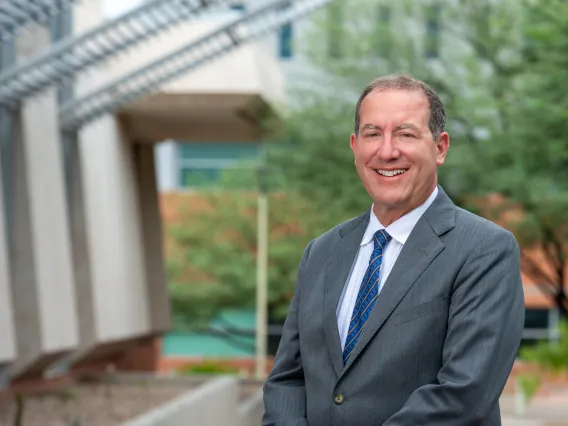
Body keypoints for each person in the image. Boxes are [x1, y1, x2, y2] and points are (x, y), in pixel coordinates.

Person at [262, 74, 525, 425]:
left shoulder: (485, 250)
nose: (387, 151)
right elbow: (288, 380)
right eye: (373, 134)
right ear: (355, 146)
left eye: (405, 133)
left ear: (440, 147)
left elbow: (464, 394)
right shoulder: (321, 252)